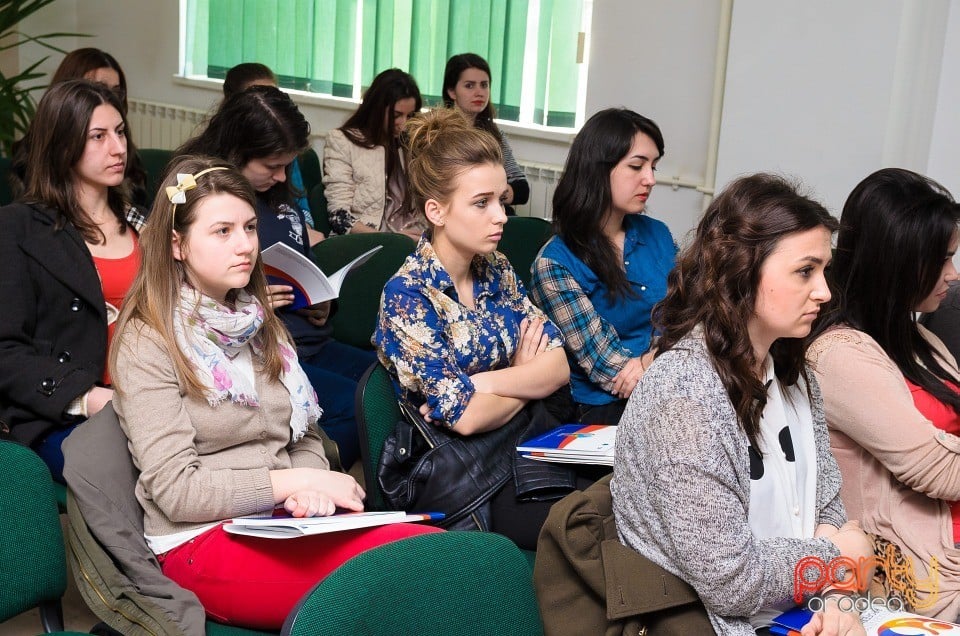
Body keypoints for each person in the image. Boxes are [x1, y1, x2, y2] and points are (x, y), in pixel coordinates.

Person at [109, 156, 439, 630]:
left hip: (281, 521)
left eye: (248, 227)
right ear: (178, 245)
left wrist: (307, 490)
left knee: (435, 553)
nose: (245, 245)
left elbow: (301, 437)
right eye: (222, 231)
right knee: (390, 586)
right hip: (199, 542)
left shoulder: (262, 323)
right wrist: (295, 484)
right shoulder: (148, 340)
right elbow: (177, 492)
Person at [612, 174, 873, 635]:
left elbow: (826, 505)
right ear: (742, 269)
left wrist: (835, 593)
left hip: (795, 610)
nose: (825, 292)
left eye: (825, 270)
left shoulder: (794, 371)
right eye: (805, 271)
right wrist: (836, 560)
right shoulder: (684, 395)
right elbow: (732, 581)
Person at [374, 108, 583, 549]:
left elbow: (559, 366)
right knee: (580, 531)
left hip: (521, 450)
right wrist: (527, 381)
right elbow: (466, 419)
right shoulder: (407, 296)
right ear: (437, 211)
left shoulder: (496, 269)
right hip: (465, 476)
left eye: (502, 200)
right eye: (482, 202)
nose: (502, 216)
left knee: (613, 504)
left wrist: (481, 382)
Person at [176, 85, 375, 468]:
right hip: (259, 348)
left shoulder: (278, 194)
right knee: (356, 404)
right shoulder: (206, 203)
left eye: (288, 164)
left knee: (384, 383)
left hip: (307, 335)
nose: (282, 175)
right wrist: (253, 303)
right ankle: (310, 480)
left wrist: (324, 303)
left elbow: (301, 260)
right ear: (236, 154)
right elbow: (187, 300)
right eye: (271, 166)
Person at [807, 168, 960, 620]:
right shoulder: (838, 354)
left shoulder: (913, 337)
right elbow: (937, 470)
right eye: (942, 259)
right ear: (897, 262)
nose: (952, 276)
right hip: (926, 568)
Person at [0, 80, 142, 482]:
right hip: (66, 409)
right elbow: (4, 350)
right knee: (135, 473)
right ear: (62, 146)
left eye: (119, 132)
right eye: (98, 136)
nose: (117, 148)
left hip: (148, 395)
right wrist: (87, 396)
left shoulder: (141, 222)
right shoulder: (17, 227)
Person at [530, 108, 675, 425]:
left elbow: (694, 316)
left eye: (653, 167)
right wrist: (670, 354)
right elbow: (609, 368)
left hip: (668, 384)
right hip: (605, 408)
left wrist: (653, 359)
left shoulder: (658, 234)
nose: (650, 179)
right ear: (598, 170)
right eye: (637, 166)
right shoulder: (555, 264)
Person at [14, 47, 149, 205]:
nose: (107, 97)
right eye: (98, 136)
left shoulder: (125, 150)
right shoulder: (35, 159)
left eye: (116, 91)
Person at [323, 68, 424, 238]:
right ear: (376, 109)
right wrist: (393, 240)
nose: (404, 124)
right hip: (370, 240)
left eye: (410, 115)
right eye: (396, 115)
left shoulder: (414, 144)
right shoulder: (342, 141)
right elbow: (339, 217)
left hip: (414, 238)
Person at [222, 62, 314, 224]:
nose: (282, 177)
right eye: (272, 166)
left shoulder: (284, 151)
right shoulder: (205, 188)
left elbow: (300, 206)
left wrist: (303, 229)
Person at [442, 53, 528, 213]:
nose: (479, 92)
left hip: (495, 214)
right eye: (469, 86)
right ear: (452, 91)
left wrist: (493, 194)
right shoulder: (439, 133)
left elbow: (522, 188)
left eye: (484, 85)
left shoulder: (495, 135)